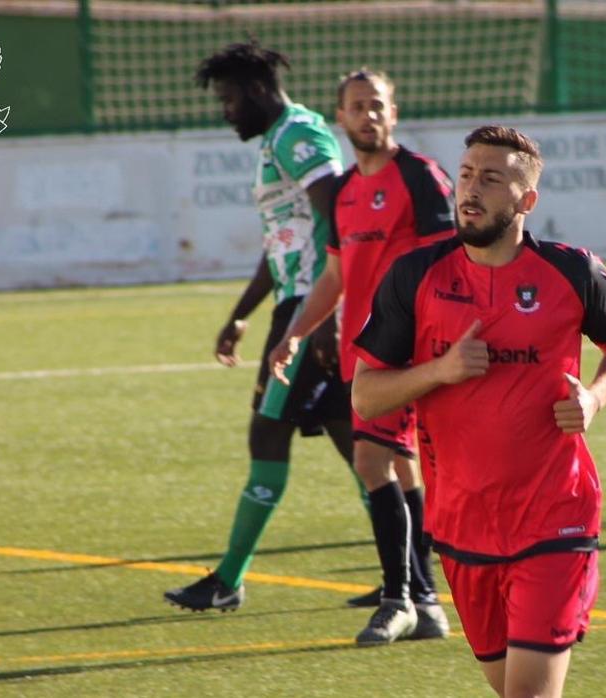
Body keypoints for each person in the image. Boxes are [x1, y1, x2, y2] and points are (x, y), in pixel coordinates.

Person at [351, 125, 606, 697]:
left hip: (556, 515)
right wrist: (440, 370)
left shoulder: (573, 271)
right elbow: (365, 396)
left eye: (491, 178)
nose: (471, 189)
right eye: (466, 175)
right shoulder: (415, 276)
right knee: (505, 683)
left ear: (526, 199)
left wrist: (594, 397)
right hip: (462, 524)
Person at [164, 40, 358, 611]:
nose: (224, 110)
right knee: (357, 443)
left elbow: (337, 211)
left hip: (309, 308)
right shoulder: (279, 141)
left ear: (254, 91)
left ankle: (228, 579)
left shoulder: (299, 135)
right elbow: (284, 241)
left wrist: (325, 313)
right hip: (304, 303)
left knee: (267, 433)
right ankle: (408, 574)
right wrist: (239, 315)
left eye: (227, 98)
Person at [268, 68, 456, 644]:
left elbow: (446, 264)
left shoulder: (421, 177)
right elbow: (334, 274)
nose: (368, 115)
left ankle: (397, 600)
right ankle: (425, 602)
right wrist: (296, 332)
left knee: (371, 463)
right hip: (360, 355)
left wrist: (424, 338)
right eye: (357, 106)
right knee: (400, 468)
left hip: (405, 353)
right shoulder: (346, 192)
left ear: (393, 114)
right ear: (341, 118)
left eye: (378, 105)